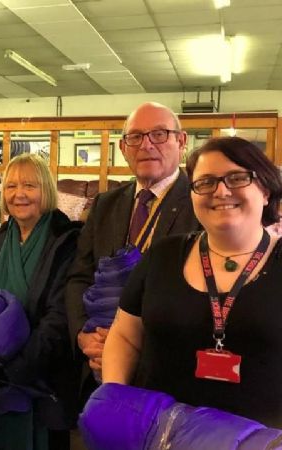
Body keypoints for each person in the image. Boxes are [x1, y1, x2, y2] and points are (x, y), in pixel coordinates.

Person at [102, 136, 282, 448]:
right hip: (160, 439)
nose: (221, 191)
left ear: (265, 189)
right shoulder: (162, 255)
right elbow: (125, 336)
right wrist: (114, 403)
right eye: (205, 182)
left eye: (237, 178)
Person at [64, 102, 200, 398]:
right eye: (135, 137)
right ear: (124, 148)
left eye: (159, 134)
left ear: (182, 141)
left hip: (167, 371)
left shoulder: (202, 203)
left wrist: (128, 344)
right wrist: (83, 335)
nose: (146, 145)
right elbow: (79, 277)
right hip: (99, 362)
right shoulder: (105, 204)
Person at [0, 153, 82, 450]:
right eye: (11, 186)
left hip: (42, 384)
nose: (19, 194)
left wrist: (8, 375)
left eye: (29, 185)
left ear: (46, 191)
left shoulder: (68, 240)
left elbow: (59, 319)